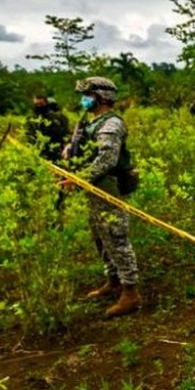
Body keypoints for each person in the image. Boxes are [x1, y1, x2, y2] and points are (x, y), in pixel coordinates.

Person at [59, 76, 142, 318]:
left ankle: (130, 292)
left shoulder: (111, 125)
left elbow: (107, 159)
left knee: (116, 236)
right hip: (93, 190)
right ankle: (113, 280)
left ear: (101, 98)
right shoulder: (91, 122)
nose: (84, 100)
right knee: (100, 235)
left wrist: (78, 178)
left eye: (88, 96)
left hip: (108, 189)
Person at [26, 95, 70, 163]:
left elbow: (65, 133)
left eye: (41, 104)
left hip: (55, 151)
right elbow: (29, 135)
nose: (39, 106)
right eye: (37, 104)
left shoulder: (57, 117)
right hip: (37, 152)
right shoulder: (31, 119)